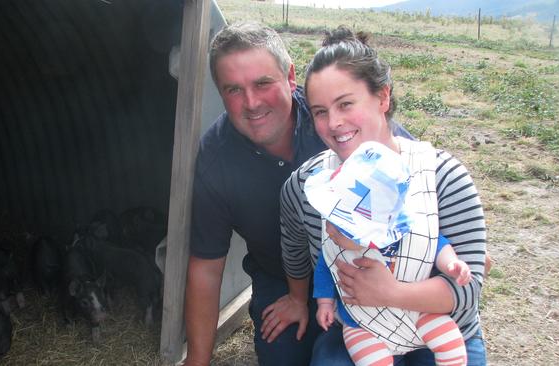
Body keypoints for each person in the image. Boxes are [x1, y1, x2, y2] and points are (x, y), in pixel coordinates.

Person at [183, 21, 414, 366]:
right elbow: (206, 265)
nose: (251, 102)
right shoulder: (217, 158)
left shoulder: (333, 119)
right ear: (220, 94)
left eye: (263, 83)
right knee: (284, 356)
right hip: (280, 276)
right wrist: (197, 361)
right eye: (233, 90)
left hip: (367, 269)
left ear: (290, 77)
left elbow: (414, 176)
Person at [280, 26, 488, 365]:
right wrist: (301, 298)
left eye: (346, 104)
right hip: (362, 328)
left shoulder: (443, 176)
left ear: (383, 98)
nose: (333, 123)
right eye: (320, 111)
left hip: (437, 327)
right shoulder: (306, 187)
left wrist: (391, 292)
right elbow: (296, 255)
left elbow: (465, 291)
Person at [307, 141, 471, 366]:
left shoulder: (408, 234)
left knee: (450, 341)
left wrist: (452, 263)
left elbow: (437, 245)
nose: (329, 231)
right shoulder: (335, 246)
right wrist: (324, 304)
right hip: (360, 322)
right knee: (370, 359)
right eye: (330, 221)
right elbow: (325, 269)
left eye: (340, 228)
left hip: (417, 310)